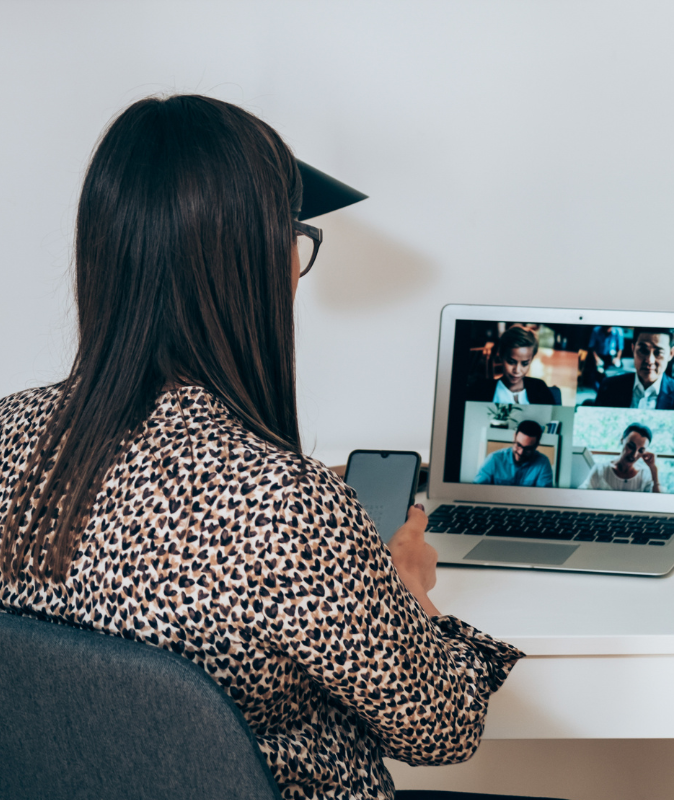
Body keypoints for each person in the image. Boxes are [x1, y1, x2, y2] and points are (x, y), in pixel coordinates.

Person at [0, 96, 531, 800]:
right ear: (257, 264)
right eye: (295, 237)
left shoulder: (8, 436)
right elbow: (444, 727)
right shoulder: (284, 506)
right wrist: (411, 591)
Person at [593, 328, 674, 410]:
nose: (649, 360)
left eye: (658, 353)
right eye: (643, 351)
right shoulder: (609, 388)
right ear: (633, 349)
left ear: (671, 354)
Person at [467, 327, 561, 405]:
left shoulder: (540, 389)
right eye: (511, 362)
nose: (517, 370)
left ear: (531, 360)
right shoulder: (481, 390)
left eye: (524, 364)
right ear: (501, 356)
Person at [579, 424, 661, 492]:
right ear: (622, 440)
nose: (634, 455)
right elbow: (581, 494)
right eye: (631, 446)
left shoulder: (645, 475)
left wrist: (653, 469)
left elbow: (659, 503)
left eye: (641, 450)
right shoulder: (601, 469)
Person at [474, 420, 554, 487]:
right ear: (514, 437)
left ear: (536, 446)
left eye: (528, 449)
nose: (521, 452)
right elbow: (476, 491)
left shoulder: (543, 464)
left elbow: (544, 497)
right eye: (518, 445)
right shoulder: (494, 459)